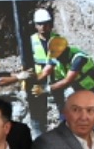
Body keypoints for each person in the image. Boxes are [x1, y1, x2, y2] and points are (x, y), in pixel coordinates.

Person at [43, 35, 94, 128]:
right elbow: (56, 80)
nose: (57, 59)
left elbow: (67, 81)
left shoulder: (78, 59)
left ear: (64, 52)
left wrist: (46, 89)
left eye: (58, 57)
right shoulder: (61, 62)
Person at [26, 7, 65, 137]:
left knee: (62, 104)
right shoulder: (31, 41)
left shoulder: (57, 39)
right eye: (39, 24)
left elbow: (57, 61)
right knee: (39, 106)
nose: (43, 27)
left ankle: (65, 131)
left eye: (45, 23)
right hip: (39, 77)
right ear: (35, 25)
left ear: (50, 24)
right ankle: (40, 134)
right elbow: (27, 61)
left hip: (55, 75)